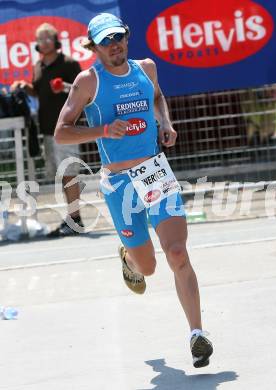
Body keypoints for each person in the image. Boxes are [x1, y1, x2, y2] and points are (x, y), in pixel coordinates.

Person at [54, 13, 213, 368]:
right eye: (106, 42)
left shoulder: (146, 68)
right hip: (118, 183)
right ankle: (128, 257)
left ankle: (197, 335)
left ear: (127, 37)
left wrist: (166, 122)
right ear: (94, 47)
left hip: (155, 172)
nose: (115, 46)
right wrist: (103, 131)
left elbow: (157, 98)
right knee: (149, 267)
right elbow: (61, 132)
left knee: (177, 253)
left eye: (119, 38)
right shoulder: (88, 81)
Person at [11, 23, 83, 237]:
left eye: (46, 38)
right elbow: (38, 94)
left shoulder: (69, 63)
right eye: (39, 39)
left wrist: (65, 87)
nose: (43, 42)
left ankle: (76, 219)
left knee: (70, 173)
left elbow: (83, 91)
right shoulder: (38, 66)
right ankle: (71, 218)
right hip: (48, 129)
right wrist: (25, 87)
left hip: (67, 127)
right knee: (60, 174)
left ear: (56, 40)